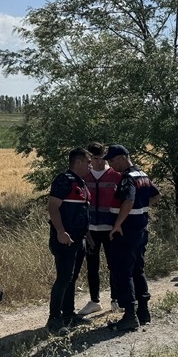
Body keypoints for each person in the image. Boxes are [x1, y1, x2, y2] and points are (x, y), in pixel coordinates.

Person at [106, 144, 160, 331]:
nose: (111, 165)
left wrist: (118, 224)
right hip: (140, 229)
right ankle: (143, 312)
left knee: (123, 271)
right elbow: (156, 195)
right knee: (138, 269)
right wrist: (142, 209)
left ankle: (130, 315)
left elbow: (128, 200)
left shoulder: (128, 178)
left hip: (127, 231)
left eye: (112, 161)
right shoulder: (142, 175)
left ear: (122, 157)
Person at [45, 148, 91, 333]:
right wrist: (61, 231)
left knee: (72, 278)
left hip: (79, 239)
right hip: (65, 239)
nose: (90, 165)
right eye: (88, 162)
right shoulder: (63, 179)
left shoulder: (81, 183)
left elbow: (82, 212)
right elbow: (53, 207)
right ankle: (54, 320)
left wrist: (88, 236)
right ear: (78, 162)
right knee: (63, 278)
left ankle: (69, 315)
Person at [79, 142, 122, 316]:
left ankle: (116, 299)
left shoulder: (115, 175)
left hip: (110, 228)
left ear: (103, 157)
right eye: (91, 159)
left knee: (114, 265)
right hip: (90, 229)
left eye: (97, 158)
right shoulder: (84, 176)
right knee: (92, 266)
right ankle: (95, 301)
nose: (94, 162)